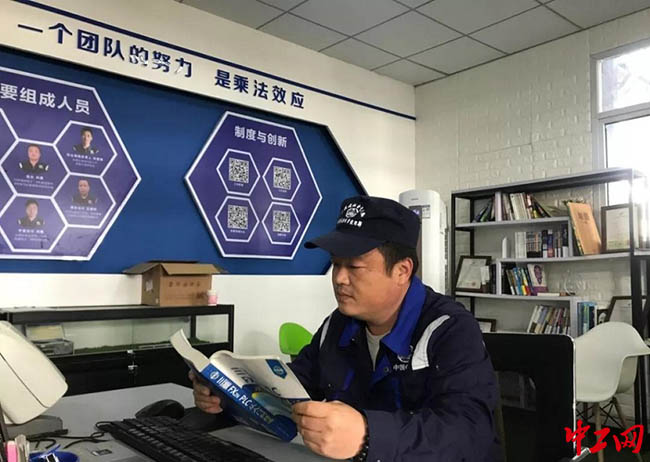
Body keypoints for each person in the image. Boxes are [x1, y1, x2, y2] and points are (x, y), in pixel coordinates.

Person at [191, 196, 501, 461]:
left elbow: (469, 432)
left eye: (354, 266)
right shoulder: (338, 324)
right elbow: (295, 385)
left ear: (402, 271)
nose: (339, 278)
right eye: (336, 264)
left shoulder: (449, 329)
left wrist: (367, 435)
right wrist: (231, 393)